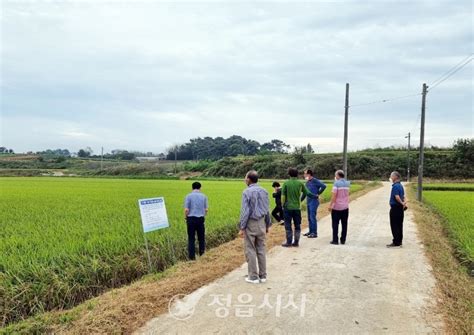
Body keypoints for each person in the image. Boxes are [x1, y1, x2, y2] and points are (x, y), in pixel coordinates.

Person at [239, 170, 271, 284]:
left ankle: (253, 276)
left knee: (250, 249)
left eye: (245, 177)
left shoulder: (246, 192)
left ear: (248, 179)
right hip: (262, 222)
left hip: (251, 223)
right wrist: (268, 224)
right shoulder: (264, 191)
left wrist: (242, 227)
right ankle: (263, 275)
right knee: (261, 249)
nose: (244, 179)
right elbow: (267, 209)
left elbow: (245, 212)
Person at [281, 168, 316, 247]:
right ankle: (296, 242)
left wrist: (283, 205)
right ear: (297, 174)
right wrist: (315, 196)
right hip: (297, 208)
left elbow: (283, 197)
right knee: (297, 225)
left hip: (288, 208)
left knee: (288, 225)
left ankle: (289, 242)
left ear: (289, 174)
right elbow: (308, 193)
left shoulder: (286, 183)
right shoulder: (300, 183)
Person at [184, 182, 208, 260]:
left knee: (191, 238)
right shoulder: (204, 196)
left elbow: (186, 210)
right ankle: (202, 255)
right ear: (200, 188)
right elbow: (206, 209)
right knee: (201, 238)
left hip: (191, 219)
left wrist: (186, 217)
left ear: (192, 188)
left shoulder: (188, 196)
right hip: (200, 219)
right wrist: (203, 215)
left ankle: (192, 258)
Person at [301, 169, 327, 238]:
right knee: (309, 217)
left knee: (312, 217)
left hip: (314, 201)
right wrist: (299, 201)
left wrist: (318, 193)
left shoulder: (315, 181)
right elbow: (304, 192)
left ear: (309, 174)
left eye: (305, 174)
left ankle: (314, 233)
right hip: (308, 201)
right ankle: (310, 231)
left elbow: (324, 186)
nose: (304, 175)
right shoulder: (307, 182)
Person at [328, 170, 350, 245]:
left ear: (338, 175)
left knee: (335, 224)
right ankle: (343, 240)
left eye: (335, 175)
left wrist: (330, 205)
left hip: (336, 207)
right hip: (345, 207)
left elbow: (334, 196)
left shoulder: (336, 183)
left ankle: (335, 240)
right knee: (344, 224)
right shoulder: (347, 183)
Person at [387, 171, 407, 248]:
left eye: (391, 176)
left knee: (394, 225)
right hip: (400, 209)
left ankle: (396, 242)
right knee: (399, 225)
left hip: (395, 208)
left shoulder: (395, 186)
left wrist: (402, 203)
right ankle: (399, 241)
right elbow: (403, 196)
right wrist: (404, 203)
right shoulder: (400, 186)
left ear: (395, 177)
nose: (390, 178)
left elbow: (397, 197)